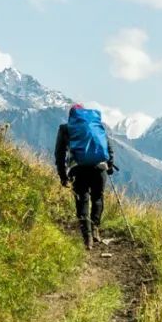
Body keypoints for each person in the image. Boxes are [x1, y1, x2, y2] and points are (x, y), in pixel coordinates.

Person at [55, 103, 116, 249]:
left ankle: (87, 237)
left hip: (78, 169)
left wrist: (63, 176)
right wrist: (110, 165)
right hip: (99, 168)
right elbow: (108, 147)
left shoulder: (65, 128)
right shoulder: (96, 125)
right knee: (97, 198)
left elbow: (59, 154)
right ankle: (95, 228)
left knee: (82, 200)